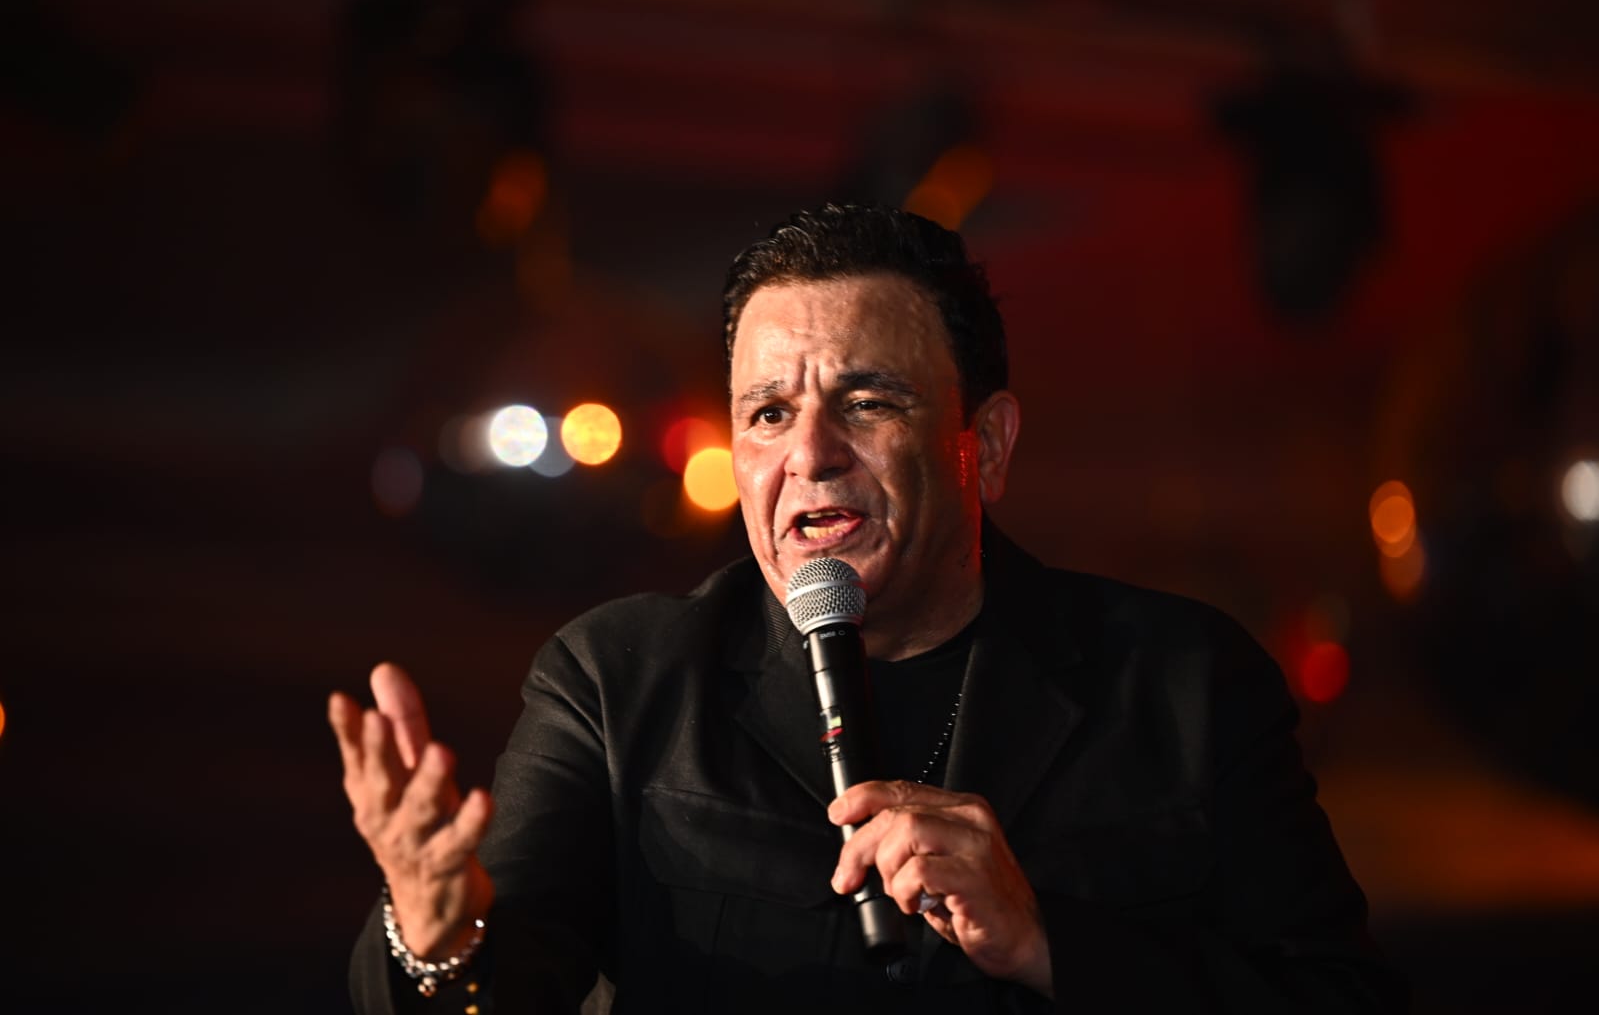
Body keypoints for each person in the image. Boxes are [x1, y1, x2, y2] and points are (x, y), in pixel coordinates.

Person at [329, 203, 1406, 1013]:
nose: (810, 452)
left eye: (868, 401)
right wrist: (436, 935)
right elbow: (500, 989)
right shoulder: (620, 680)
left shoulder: (1181, 680)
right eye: (768, 411)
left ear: (985, 445)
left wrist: (1047, 942)